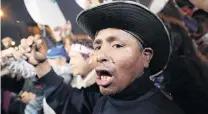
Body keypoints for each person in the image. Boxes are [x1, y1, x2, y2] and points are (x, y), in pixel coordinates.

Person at [9, 1, 184, 114]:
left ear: (146, 57)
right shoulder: (101, 99)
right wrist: (40, 64)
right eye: (97, 46)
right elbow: (69, 101)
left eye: (117, 45)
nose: (100, 55)